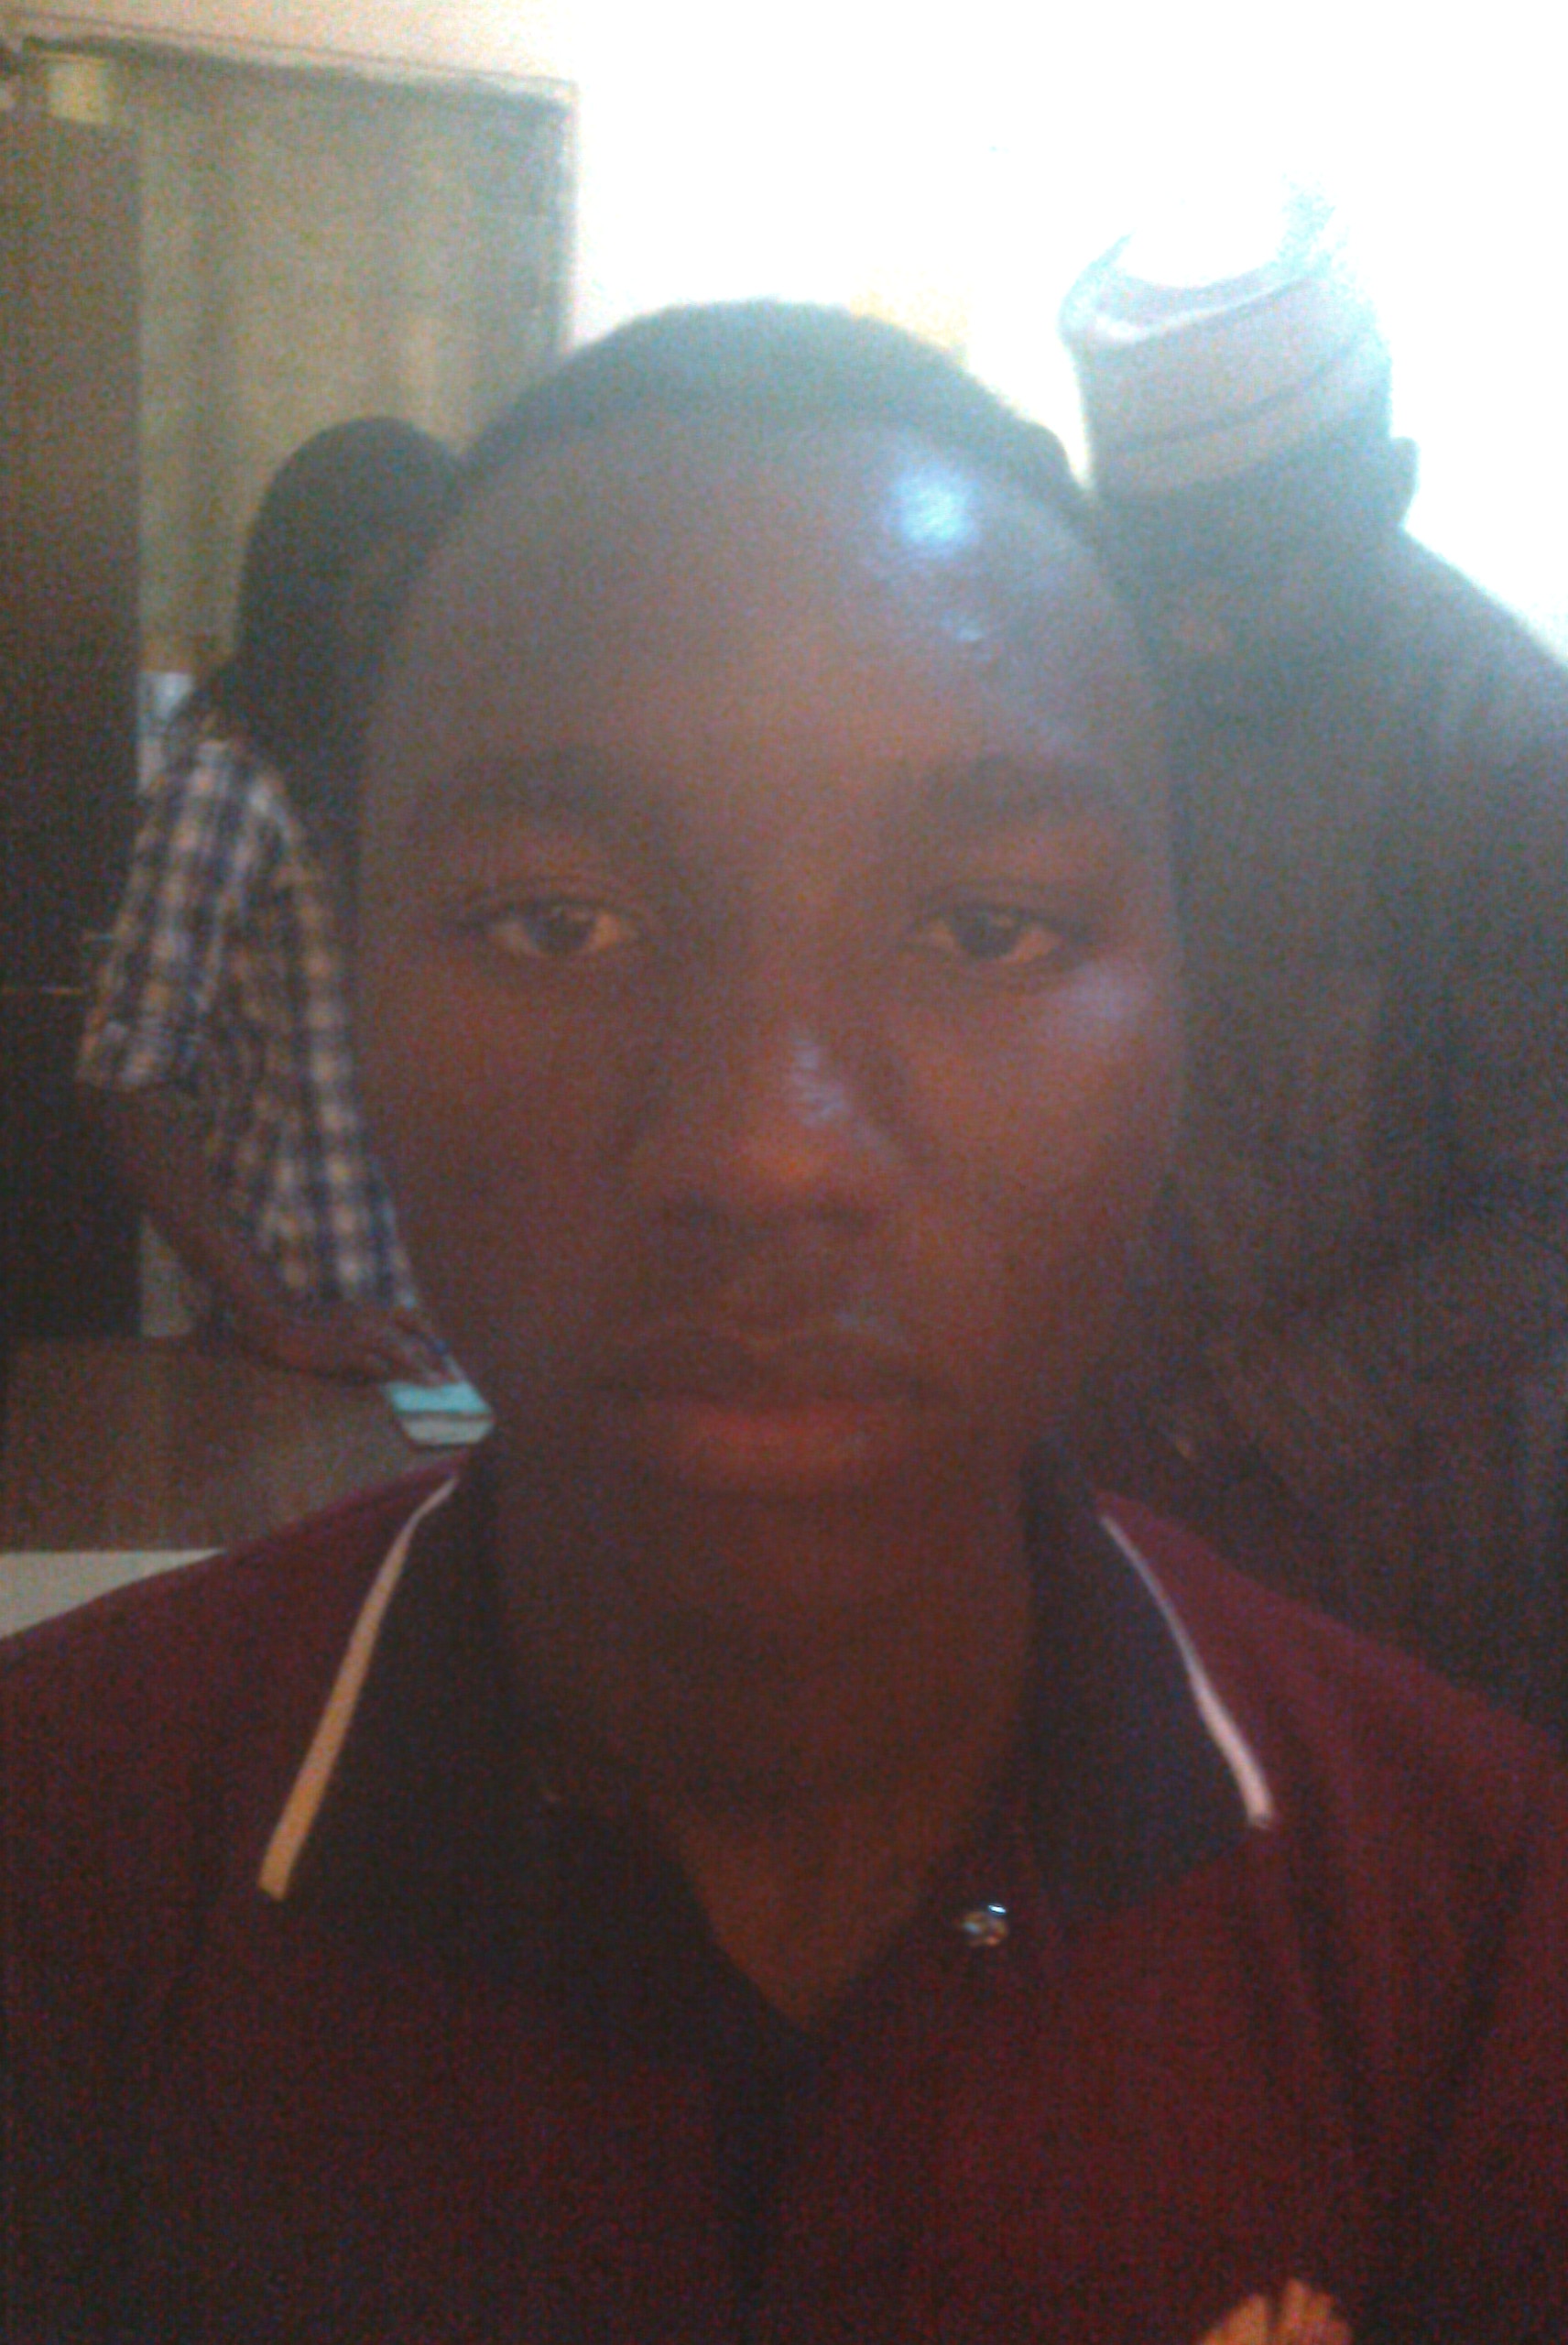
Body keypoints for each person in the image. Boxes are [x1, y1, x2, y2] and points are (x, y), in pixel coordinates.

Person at [5, 304, 1565, 2342]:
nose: (764, 1150)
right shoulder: (63, 1850)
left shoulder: (1473, 1925)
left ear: (1183, 1007)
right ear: (358, 966)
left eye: (982, 927)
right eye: (555, 922)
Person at [1060, 188, 1568, 1732]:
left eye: (1249, 567)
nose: (1198, 628)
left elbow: (1545, 1219)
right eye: (1159, 568)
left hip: (1392, 1546)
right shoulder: (1109, 680)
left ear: (1388, 488)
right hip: (1097, 1480)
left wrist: (1239, 1424)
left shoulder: (1506, 755)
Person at [78, 420, 457, 1381]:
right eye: (389, 597)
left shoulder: (391, 771)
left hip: (429, 1323)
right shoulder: (229, 784)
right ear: (312, 597)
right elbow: (125, 1079)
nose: (417, 630)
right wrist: (280, 1320)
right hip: (302, 1347)